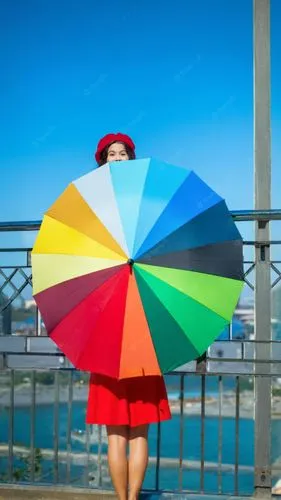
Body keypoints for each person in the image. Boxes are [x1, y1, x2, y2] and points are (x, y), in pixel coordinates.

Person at [86, 132, 171, 500]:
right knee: (123, 433)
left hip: (117, 321)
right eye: (112, 154)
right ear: (103, 160)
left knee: (131, 432)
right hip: (131, 322)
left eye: (122, 154)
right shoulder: (145, 204)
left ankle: (127, 499)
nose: (117, 158)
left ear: (129, 158)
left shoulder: (92, 207)